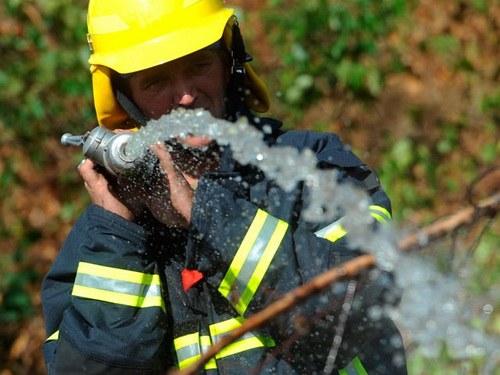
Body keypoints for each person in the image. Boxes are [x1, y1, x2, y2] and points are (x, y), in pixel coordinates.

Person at [42, 0, 408, 374]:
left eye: (198, 65)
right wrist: (119, 235)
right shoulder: (106, 232)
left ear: (229, 62)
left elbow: (354, 314)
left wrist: (206, 216)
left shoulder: (310, 169)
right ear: (125, 98)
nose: (185, 96)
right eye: (155, 81)